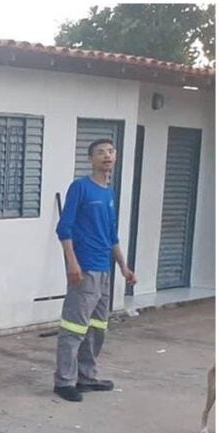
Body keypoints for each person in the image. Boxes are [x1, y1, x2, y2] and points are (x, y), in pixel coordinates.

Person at [53, 138, 137, 402]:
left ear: (116, 157)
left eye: (111, 152)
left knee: (97, 327)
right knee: (74, 327)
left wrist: (123, 266)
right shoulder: (80, 188)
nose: (107, 156)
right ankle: (64, 382)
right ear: (90, 159)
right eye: (100, 152)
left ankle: (86, 377)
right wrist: (72, 262)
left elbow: (111, 234)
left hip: (105, 269)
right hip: (85, 267)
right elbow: (64, 228)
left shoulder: (108, 192)